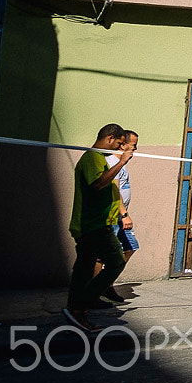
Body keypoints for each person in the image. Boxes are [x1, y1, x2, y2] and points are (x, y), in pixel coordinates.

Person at [65, 123, 133, 331]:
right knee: (115, 261)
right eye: (119, 144)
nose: (119, 149)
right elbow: (97, 184)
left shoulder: (99, 159)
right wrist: (121, 163)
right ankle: (81, 304)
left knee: (84, 268)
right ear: (110, 138)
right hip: (93, 225)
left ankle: (77, 309)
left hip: (97, 223)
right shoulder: (93, 158)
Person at [98, 130, 140, 302]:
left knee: (130, 247)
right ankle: (96, 288)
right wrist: (124, 214)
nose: (136, 148)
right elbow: (114, 190)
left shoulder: (121, 163)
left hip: (120, 216)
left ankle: (106, 283)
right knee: (102, 254)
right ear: (123, 144)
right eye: (134, 145)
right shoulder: (112, 162)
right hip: (114, 215)